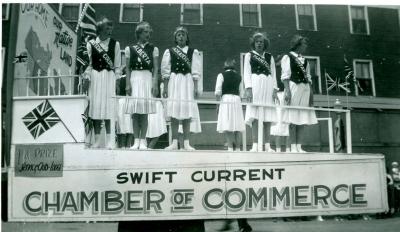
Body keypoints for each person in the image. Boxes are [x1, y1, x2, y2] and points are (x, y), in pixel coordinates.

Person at [161, 26, 202, 150]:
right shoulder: (170, 51)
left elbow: (195, 71)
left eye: (183, 34)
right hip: (175, 81)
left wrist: (196, 87)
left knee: (187, 112)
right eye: (178, 35)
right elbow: (166, 71)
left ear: (187, 37)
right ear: (175, 37)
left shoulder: (193, 52)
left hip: (187, 81)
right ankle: (174, 142)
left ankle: (186, 143)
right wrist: (166, 88)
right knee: (174, 112)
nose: (181, 37)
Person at [84, 17, 121, 149]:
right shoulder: (91, 44)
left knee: (109, 108)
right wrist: (87, 77)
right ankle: (98, 140)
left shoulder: (115, 44)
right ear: (100, 30)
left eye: (111, 28)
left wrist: (117, 82)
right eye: (107, 28)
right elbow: (88, 64)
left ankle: (111, 141)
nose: (109, 30)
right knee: (96, 107)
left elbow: (117, 66)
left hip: (109, 77)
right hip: (95, 77)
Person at [125, 21, 159, 150]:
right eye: (145, 31)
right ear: (139, 33)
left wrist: (155, 83)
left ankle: (143, 141)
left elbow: (156, 68)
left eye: (149, 32)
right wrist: (127, 83)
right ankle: (136, 141)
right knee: (135, 112)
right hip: (134, 78)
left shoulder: (153, 49)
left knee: (144, 112)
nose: (148, 34)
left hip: (147, 78)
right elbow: (127, 68)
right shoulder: (130, 49)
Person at [281, 35, 317, 153]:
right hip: (293, 87)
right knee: (292, 117)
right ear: (298, 45)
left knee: (302, 117)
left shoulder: (305, 60)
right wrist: (287, 92)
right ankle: (292, 146)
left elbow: (308, 77)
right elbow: (285, 76)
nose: (306, 46)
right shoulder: (288, 57)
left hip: (305, 88)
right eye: (304, 44)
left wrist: (311, 93)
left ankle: (299, 146)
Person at [243, 32, 279, 152]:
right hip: (256, 85)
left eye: (261, 42)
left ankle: (267, 145)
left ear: (265, 44)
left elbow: (273, 74)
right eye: (257, 41)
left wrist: (275, 89)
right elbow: (246, 73)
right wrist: (248, 89)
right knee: (255, 115)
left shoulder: (269, 57)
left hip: (268, 86)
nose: (259, 44)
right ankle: (255, 145)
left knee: (267, 115)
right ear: (254, 43)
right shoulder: (249, 55)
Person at [215, 58, 245, 151]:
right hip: (236, 100)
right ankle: (238, 148)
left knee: (227, 123)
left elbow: (218, 92)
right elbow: (242, 93)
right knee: (237, 124)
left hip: (226, 100)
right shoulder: (239, 76)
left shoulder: (221, 75)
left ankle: (230, 148)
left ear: (225, 66)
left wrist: (217, 105)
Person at [116, 67, 134, 148]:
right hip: (129, 101)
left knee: (122, 124)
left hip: (121, 101)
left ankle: (122, 145)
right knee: (129, 125)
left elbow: (117, 91)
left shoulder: (118, 80)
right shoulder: (132, 79)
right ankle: (127, 145)